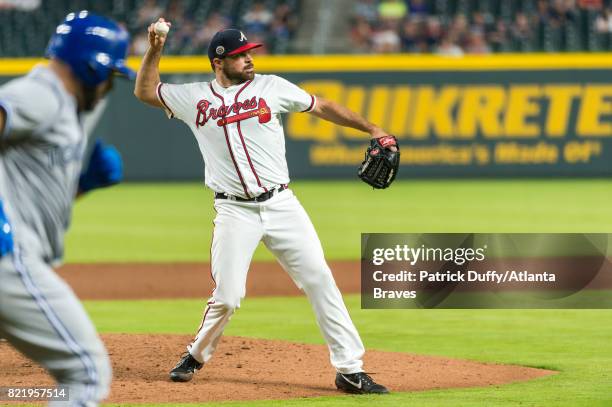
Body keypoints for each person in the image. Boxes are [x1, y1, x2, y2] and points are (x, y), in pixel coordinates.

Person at [134, 20, 395, 395]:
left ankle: (350, 369)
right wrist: (156, 47)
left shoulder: (272, 86)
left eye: (250, 53)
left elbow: (322, 106)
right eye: (240, 56)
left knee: (321, 281)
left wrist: (372, 129)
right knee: (227, 296)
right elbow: (144, 90)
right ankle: (195, 354)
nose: (249, 60)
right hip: (234, 211)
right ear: (219, 63)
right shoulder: (193, 98)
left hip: (282, 204)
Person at [0, 11, 133, 406]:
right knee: (86, 372)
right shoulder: (43, 94)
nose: (110, 86)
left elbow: (31, 189)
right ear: (94, 68)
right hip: (8, 259)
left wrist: (80, 185)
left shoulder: (60, 106)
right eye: (111, 75)